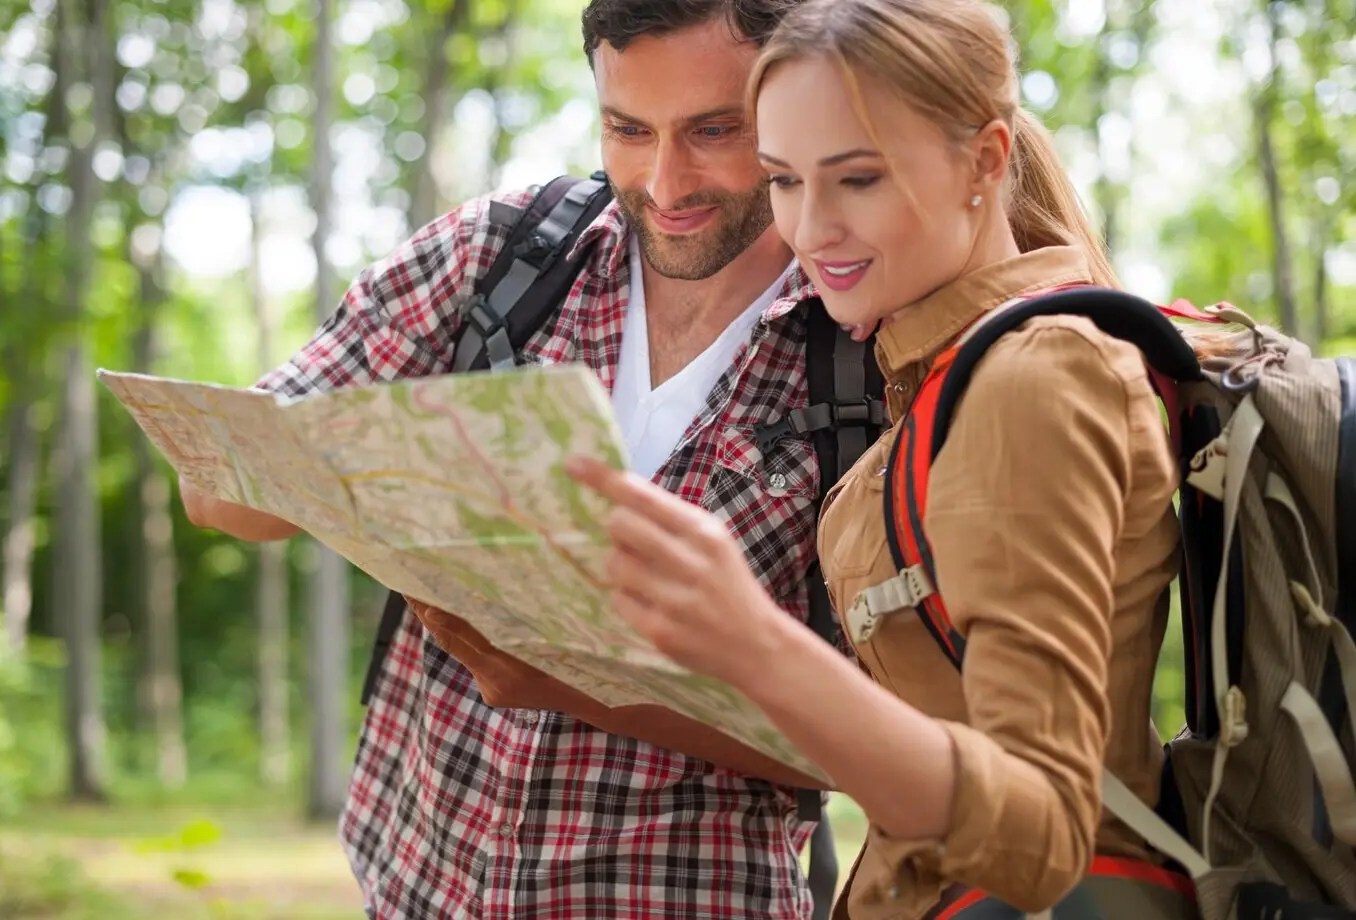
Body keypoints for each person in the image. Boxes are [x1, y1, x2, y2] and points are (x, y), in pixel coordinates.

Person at [178, 1, 862, 917]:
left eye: (713, 130)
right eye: (627, 129)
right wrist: (379, 485)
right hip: (418, 883)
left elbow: (885, 742)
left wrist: (599, 688)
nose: (664, 181)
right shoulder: (500, 255)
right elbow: (224, 495)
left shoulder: (864, 346)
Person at [569, 0, 1202, 917]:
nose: (810, 231)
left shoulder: (1036, 379)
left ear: (984, 160)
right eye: (784, 181)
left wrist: (754, 642)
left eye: (856, 179)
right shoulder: (931, 373)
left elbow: (1044, 838)